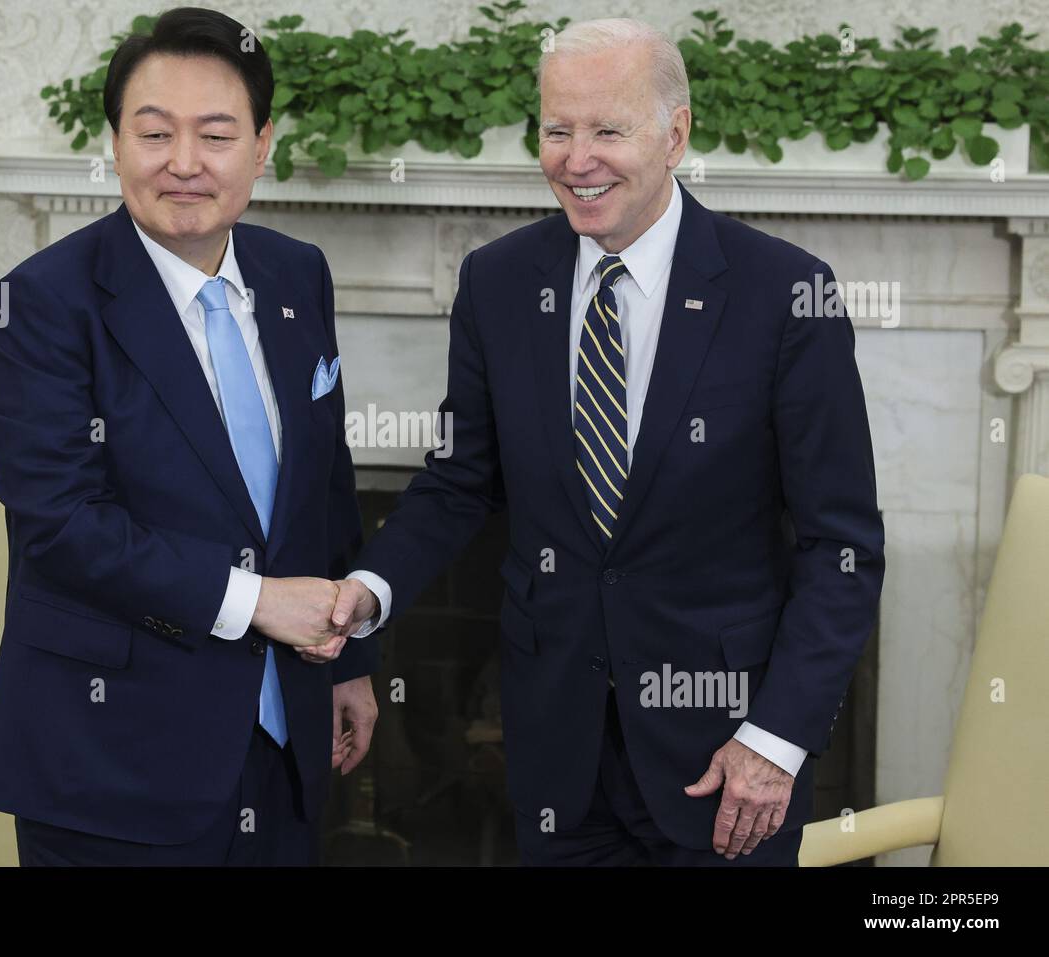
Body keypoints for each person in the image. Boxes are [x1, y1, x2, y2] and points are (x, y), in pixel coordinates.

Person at [321, 17, 885, 866]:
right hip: (557, 754)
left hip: (730, 765)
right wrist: (368, 588)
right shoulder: (498, 282)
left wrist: (776, 739)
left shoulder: (786, 294)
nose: (577, 159)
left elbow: (841, 545)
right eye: (557, 130)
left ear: (676, 133)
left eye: (608, 129)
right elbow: (459, 482)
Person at [0, 6, 378, 866]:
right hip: (111, 759)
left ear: (262, 145)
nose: (184, 164)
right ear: (115, 142)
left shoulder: (297, 272)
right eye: (154, 133)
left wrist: (346, 663)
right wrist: (260, 602)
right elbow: (61, 521)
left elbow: (326, 484)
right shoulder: (42, 303)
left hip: (282, 738)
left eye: (216, 135)